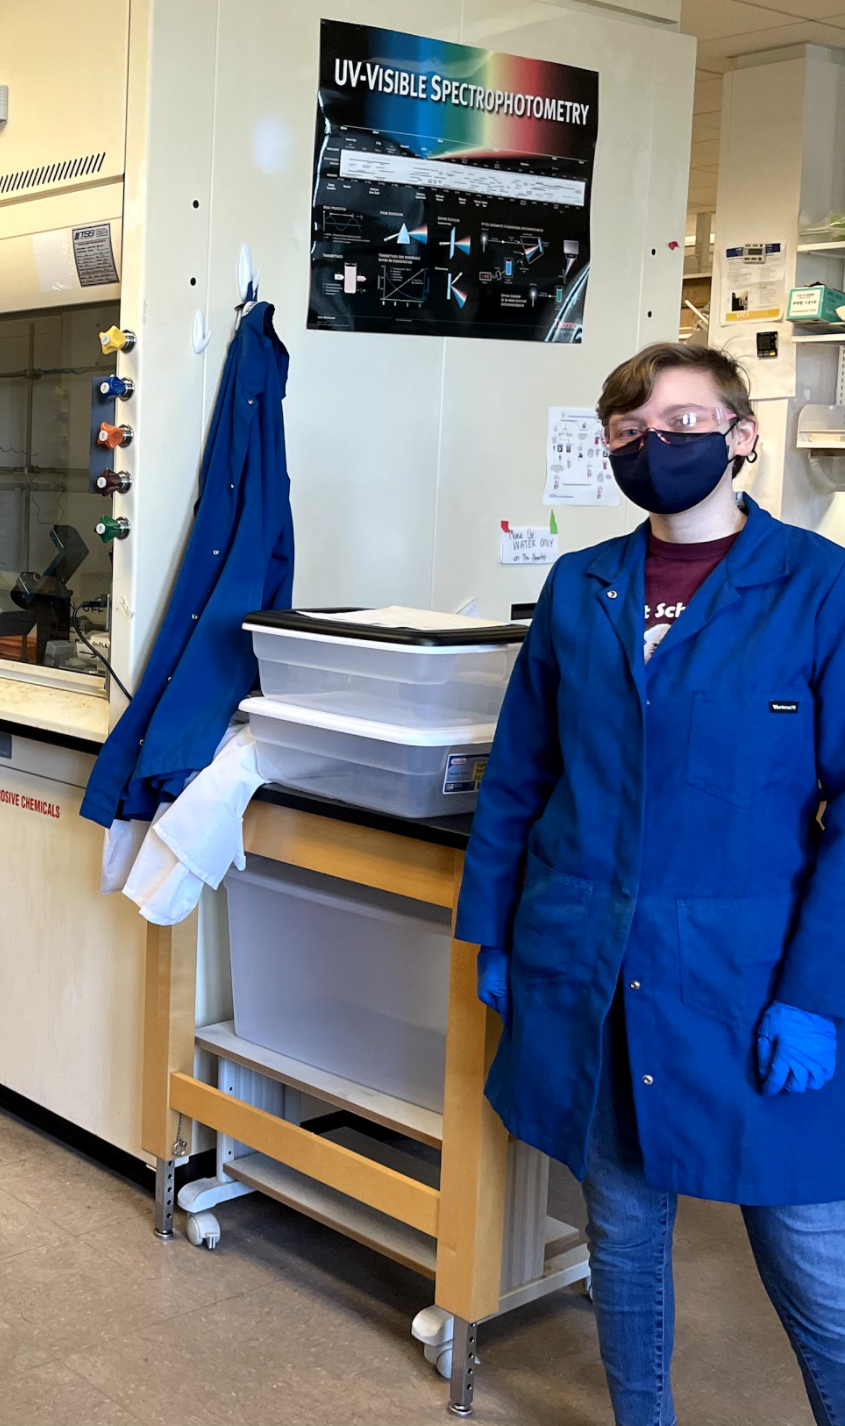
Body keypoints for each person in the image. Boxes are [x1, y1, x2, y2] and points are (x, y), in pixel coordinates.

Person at [460, 342, 845, 1424]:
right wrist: (497, 933)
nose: (652, 446)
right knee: (624, 1237)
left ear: (742, 436)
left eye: (680, 423)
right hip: (591, 967)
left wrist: (818, 996)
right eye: (628, 431)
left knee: (816, 1269)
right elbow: (522, 773)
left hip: (750, 980)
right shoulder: (581, 585)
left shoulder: (819, 588)